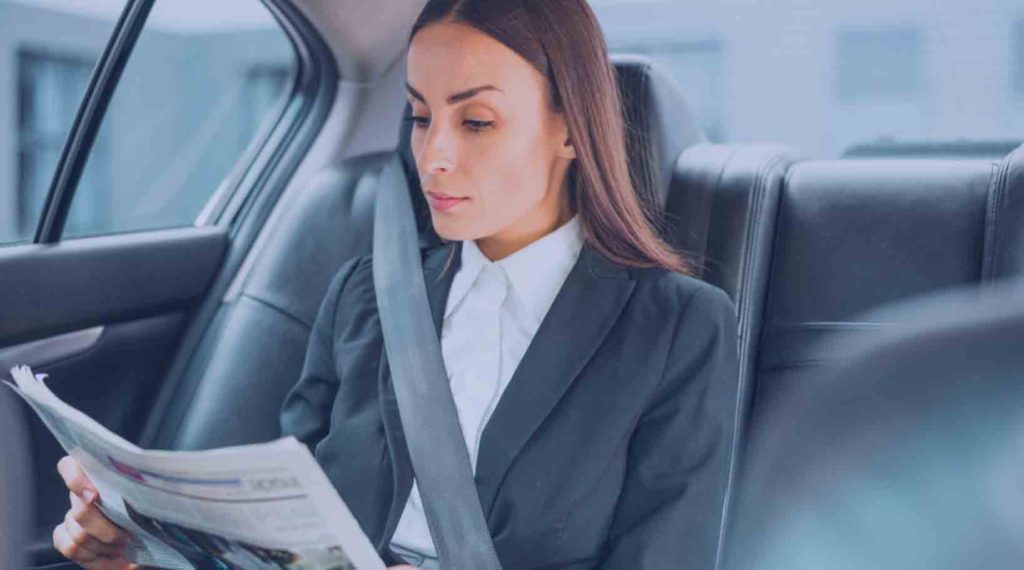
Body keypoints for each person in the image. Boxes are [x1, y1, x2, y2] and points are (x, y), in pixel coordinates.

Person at [53, 1, 740, 568]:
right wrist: (140, 550)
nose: (432, 155)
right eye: (419, 117)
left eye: (476, 121)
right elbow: (285, 535)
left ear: (571, 131)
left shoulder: (678, 329)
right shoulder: (363, 298)